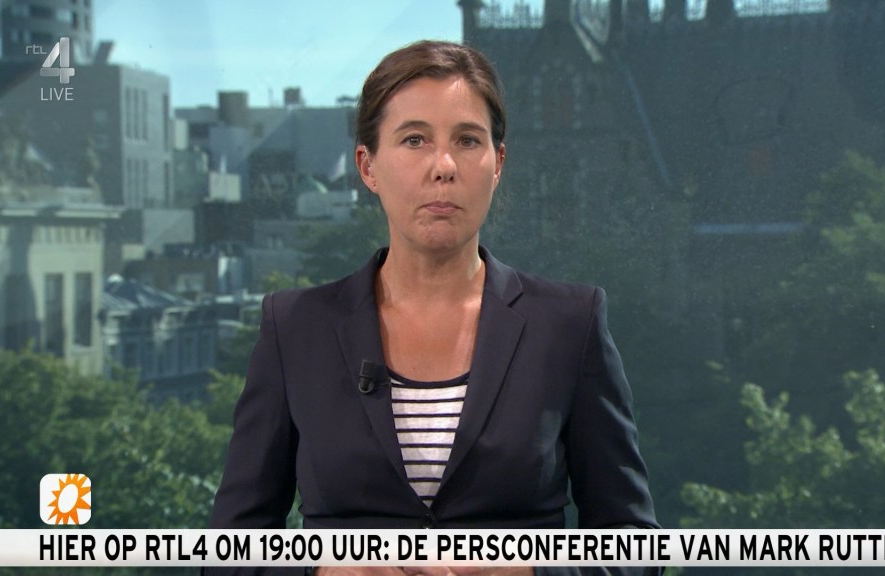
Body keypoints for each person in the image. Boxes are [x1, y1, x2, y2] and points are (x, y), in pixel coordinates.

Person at [208, 40, 660, 576]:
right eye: (414, 139)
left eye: (467, 140)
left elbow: (637, 550)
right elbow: (228, 554)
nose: (443, 166)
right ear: (368, 166)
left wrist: (532, 572)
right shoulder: (295, 328)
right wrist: (323, 572)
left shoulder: (570, 324)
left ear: (498, 163)